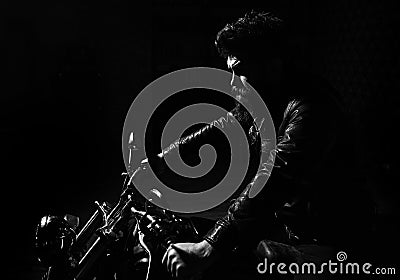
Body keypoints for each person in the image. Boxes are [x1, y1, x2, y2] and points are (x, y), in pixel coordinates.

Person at [162, 10, 374, 279]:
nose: (232, 83)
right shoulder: (267, 96)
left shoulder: (311, 109)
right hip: (288, 221)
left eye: (239, 71)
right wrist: (165, 157)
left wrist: (208, 247)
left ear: (272, 64)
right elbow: (225, 126)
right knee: (189, 211)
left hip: (326, 239)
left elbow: (275, 178)